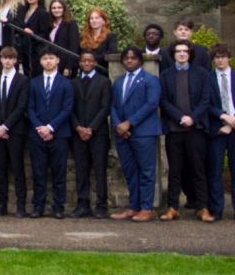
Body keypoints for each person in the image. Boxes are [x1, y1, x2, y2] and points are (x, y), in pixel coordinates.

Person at [159, 39, 214, 222]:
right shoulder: (166, 75)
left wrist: (192, 118)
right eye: (178, 51)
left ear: (190, 54)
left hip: (195, 129)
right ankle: (172, 207)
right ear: (173, 54)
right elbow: (164, 100)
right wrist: (179, 117)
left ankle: (202, 207)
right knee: (175, 171)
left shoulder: (202, 74)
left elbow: (206, 99)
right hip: (174, 130)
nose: (181, 54)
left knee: (198, 170)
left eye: (184, 51)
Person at [110, 47, 163, 222]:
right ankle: (134, 207)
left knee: (146, 171)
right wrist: (118, 124)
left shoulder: (150, 80)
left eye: (133, 58)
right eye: (126, 58)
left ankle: (146, 208)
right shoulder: (118, 82)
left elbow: (151, 104)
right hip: (122, 134)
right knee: (130, 172)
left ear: (140, 60)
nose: (129, 61)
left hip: (143, 132)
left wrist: (129, 123)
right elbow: (114, 105)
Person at [206, 44, 235, 222]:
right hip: (217, 129)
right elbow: (207, 104)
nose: (220, 60)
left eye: (223, 56)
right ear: (213, 59)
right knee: (215, 171)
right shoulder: (208, 79)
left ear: (229, 58)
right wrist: (224, 117)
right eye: (217, 57)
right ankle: (217, 209)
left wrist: (234, 121)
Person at [27, 49, 74, 219]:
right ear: (40, 62)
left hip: (59, 134)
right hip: (37, 134)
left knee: (59, 172)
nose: (48, 61)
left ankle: (58, 206)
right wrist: (40, 127)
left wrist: (51, 127)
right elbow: (30, 108)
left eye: (51, 58)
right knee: (38, 172)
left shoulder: (66, 83)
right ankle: (38, 206)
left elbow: (67, 108)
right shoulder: (34, 83)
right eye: (45, 58)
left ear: (57, 61)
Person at [71, 51, 111, 218]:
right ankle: (83, 204)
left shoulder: (104, 82)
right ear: (79, 63)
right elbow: (69, 108)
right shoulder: (73, 82)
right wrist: (78, 127)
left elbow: (105, 107)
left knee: (100, 170)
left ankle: (101, 205)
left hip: (98, 133)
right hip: (78, 133)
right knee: (81, 170)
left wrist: (91, 128)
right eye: (83, 61)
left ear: (94, 63)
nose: (86, 63)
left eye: (90, 61)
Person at [0, 46, 28, 217]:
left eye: (10, 58)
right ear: (0, 59)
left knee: (18, 169)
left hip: (15, 131)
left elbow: (21, 107)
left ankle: (21, 205)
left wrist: (6, 126)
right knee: (0, 170)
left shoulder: (22, 80)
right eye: (4, 58)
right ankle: (1, 204)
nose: (7, 61)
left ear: (15, 60)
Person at [14, 0, 50, 77]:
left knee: (35, 75)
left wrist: (33, 34)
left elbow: (44, 34)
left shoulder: (42, 13)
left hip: (36, 50)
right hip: (24, 50)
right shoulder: (23, 11)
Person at [79, 8, 118, 76]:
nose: (94, 20)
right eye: (91, 18)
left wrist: (93, 60)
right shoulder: (83, 37)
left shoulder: (110, 36)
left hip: (102, 72)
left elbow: (112, 52)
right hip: (85, 73)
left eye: (97, 18)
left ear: (103, 21)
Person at [48, 0, 80, 77]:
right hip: (53, 63)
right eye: (54, 8)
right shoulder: (49, 24)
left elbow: (74, 45)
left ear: (64, 9)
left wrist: (69, 66)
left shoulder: (71, 23)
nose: (56, 10)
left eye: (59, 7)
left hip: (66, 64)